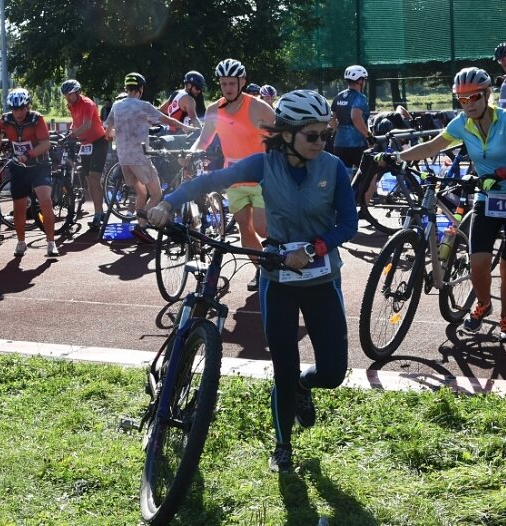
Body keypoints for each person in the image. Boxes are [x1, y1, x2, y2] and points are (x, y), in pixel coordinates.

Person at [148, 90, 358, 473]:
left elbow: (348, 223)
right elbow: (213, 179)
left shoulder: (333, 168)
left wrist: (314, 249)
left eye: (324, 134)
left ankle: (303, 386)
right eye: (312, 135)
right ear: (289, 134)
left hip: (321, 279)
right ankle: (282, 445)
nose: (321, 142)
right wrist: (168, 202)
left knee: (332, 372)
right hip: (276, 277)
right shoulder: (265, 164)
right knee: (282, 366)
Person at [377, 67, 506, 341]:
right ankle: (483, 305)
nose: (469, 104)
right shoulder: (461, 124)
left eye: (474, 97)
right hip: (487, 199)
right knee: (477, 263)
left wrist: (500, 174)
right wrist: (396, 157)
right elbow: (431, 147)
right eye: (462, 100)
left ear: (487, 95)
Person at [191, 58, 275, 291]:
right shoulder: (213, 110)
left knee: (261, 227)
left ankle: (281, 258)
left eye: (232, 83)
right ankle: (263, 271)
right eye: (223, 83)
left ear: (242, 82)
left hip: (261, 178)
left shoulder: (258, 106)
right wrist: (190, 153)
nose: (227, 88)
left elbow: (281, 132)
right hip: (234, 178)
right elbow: (204, 139)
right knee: (244, 231)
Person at [103, 72, 197, 243]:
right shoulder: (143, 105)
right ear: (140, 89)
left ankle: (141, 227)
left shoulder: (116, 106)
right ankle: (141, 225)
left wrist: (123, 133)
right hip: (140, 157)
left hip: (123, 159)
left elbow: (108, 133)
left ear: (126, 88)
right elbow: (168, 120)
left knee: (141, 193)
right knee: (156, 194)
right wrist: (187, 128)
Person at [0, 88, 58, 258]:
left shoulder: (37, 119)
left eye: (22, 108)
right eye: (15, 109)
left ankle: (51, 242)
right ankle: (21, 242)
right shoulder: (6, 119)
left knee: (45, 201)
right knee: (19, 207)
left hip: (39, 165)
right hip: (18, 167)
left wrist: (27, 155)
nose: (18, 113)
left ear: (28, 106)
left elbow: (46, 143)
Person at [61, 79, 109, 230]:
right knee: (89, 180)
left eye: (70, 95)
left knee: (95, 178)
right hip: (85, 144)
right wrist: (70, 131)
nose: (68, 98)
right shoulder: (71, 105)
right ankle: (99, 212)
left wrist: (72, 135)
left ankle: (99, 213)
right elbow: (76, 122)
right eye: (65, 95)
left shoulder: (88, 103)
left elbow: (87, 124)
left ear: (77, 92)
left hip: (98, 142)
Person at [330, 65, 373, 170]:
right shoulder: (360, 98)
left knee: (345, 178)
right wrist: (368, 136)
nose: (365, 82)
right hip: (357, 144)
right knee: (370, 176)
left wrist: (337, 131)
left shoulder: (339, 96)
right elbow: (355, 118)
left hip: (339, 143)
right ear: (360, 81)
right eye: (364, 80)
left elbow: (332, 119)